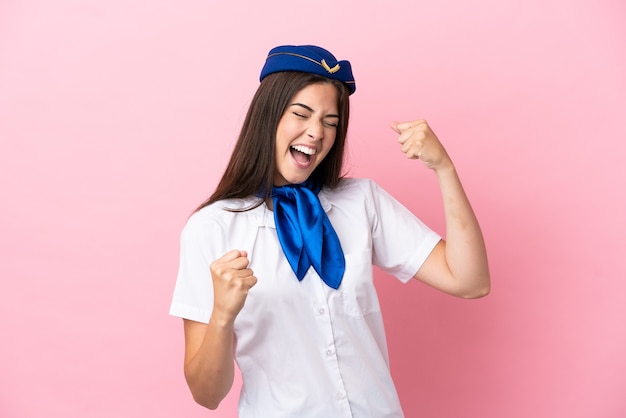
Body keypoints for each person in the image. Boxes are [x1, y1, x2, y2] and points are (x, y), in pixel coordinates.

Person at [169, 44, 490, 417]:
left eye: (331, 122)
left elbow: (470, 282)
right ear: (268, 117)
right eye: (301, 114)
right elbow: (207, 394)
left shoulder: (362, 202)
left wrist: (444, 169)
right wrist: (223, 314)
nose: (316, 132)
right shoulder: (211, 228)